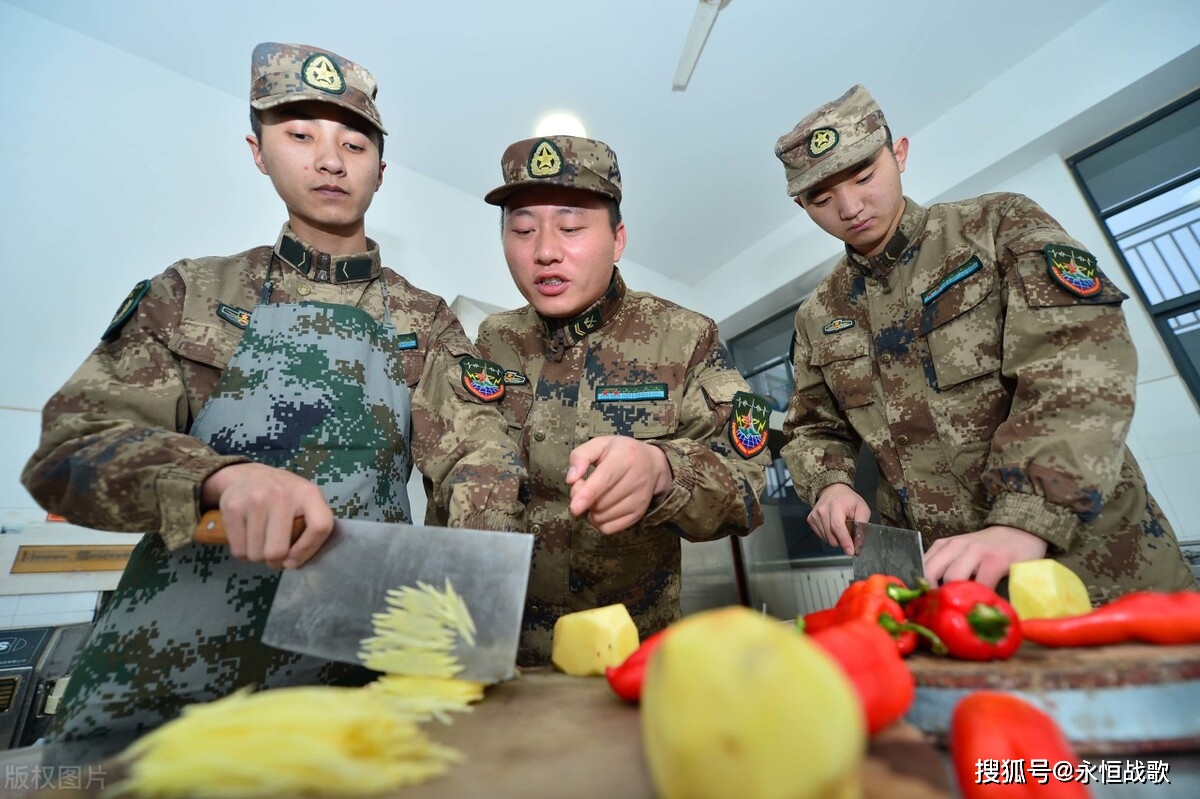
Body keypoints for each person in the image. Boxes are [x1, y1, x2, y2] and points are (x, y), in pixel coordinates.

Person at [21, 42, 527, 765]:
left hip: (354, 695)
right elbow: (69, 451)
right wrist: (218, 476)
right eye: (300, 136)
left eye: (353, 143)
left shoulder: (427, 319)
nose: (329, 160)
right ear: (258, 152)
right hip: (165, 691)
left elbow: (480, 456)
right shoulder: (193, 293)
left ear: (380, 171)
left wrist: (463, 630)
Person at [773, 84, 1197, 602]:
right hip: (946, 583)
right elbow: (813, 426)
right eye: (822, 197)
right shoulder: (819, 314)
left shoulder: (998, 226)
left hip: (1092, 564)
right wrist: (829, 483)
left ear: (899, 153)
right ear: (802, 204)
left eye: (864, 176)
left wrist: (1024, 519)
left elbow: (1077, 360)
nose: (851, 205)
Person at [473, 135, 771, 665]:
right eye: (522, 229)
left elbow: (747, 482)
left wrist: (662, 470)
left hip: (629, 660)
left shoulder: (683, 337)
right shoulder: (492, 341)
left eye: (570, 227)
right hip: (502, 653)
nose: (544, 249)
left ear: (618, 239)